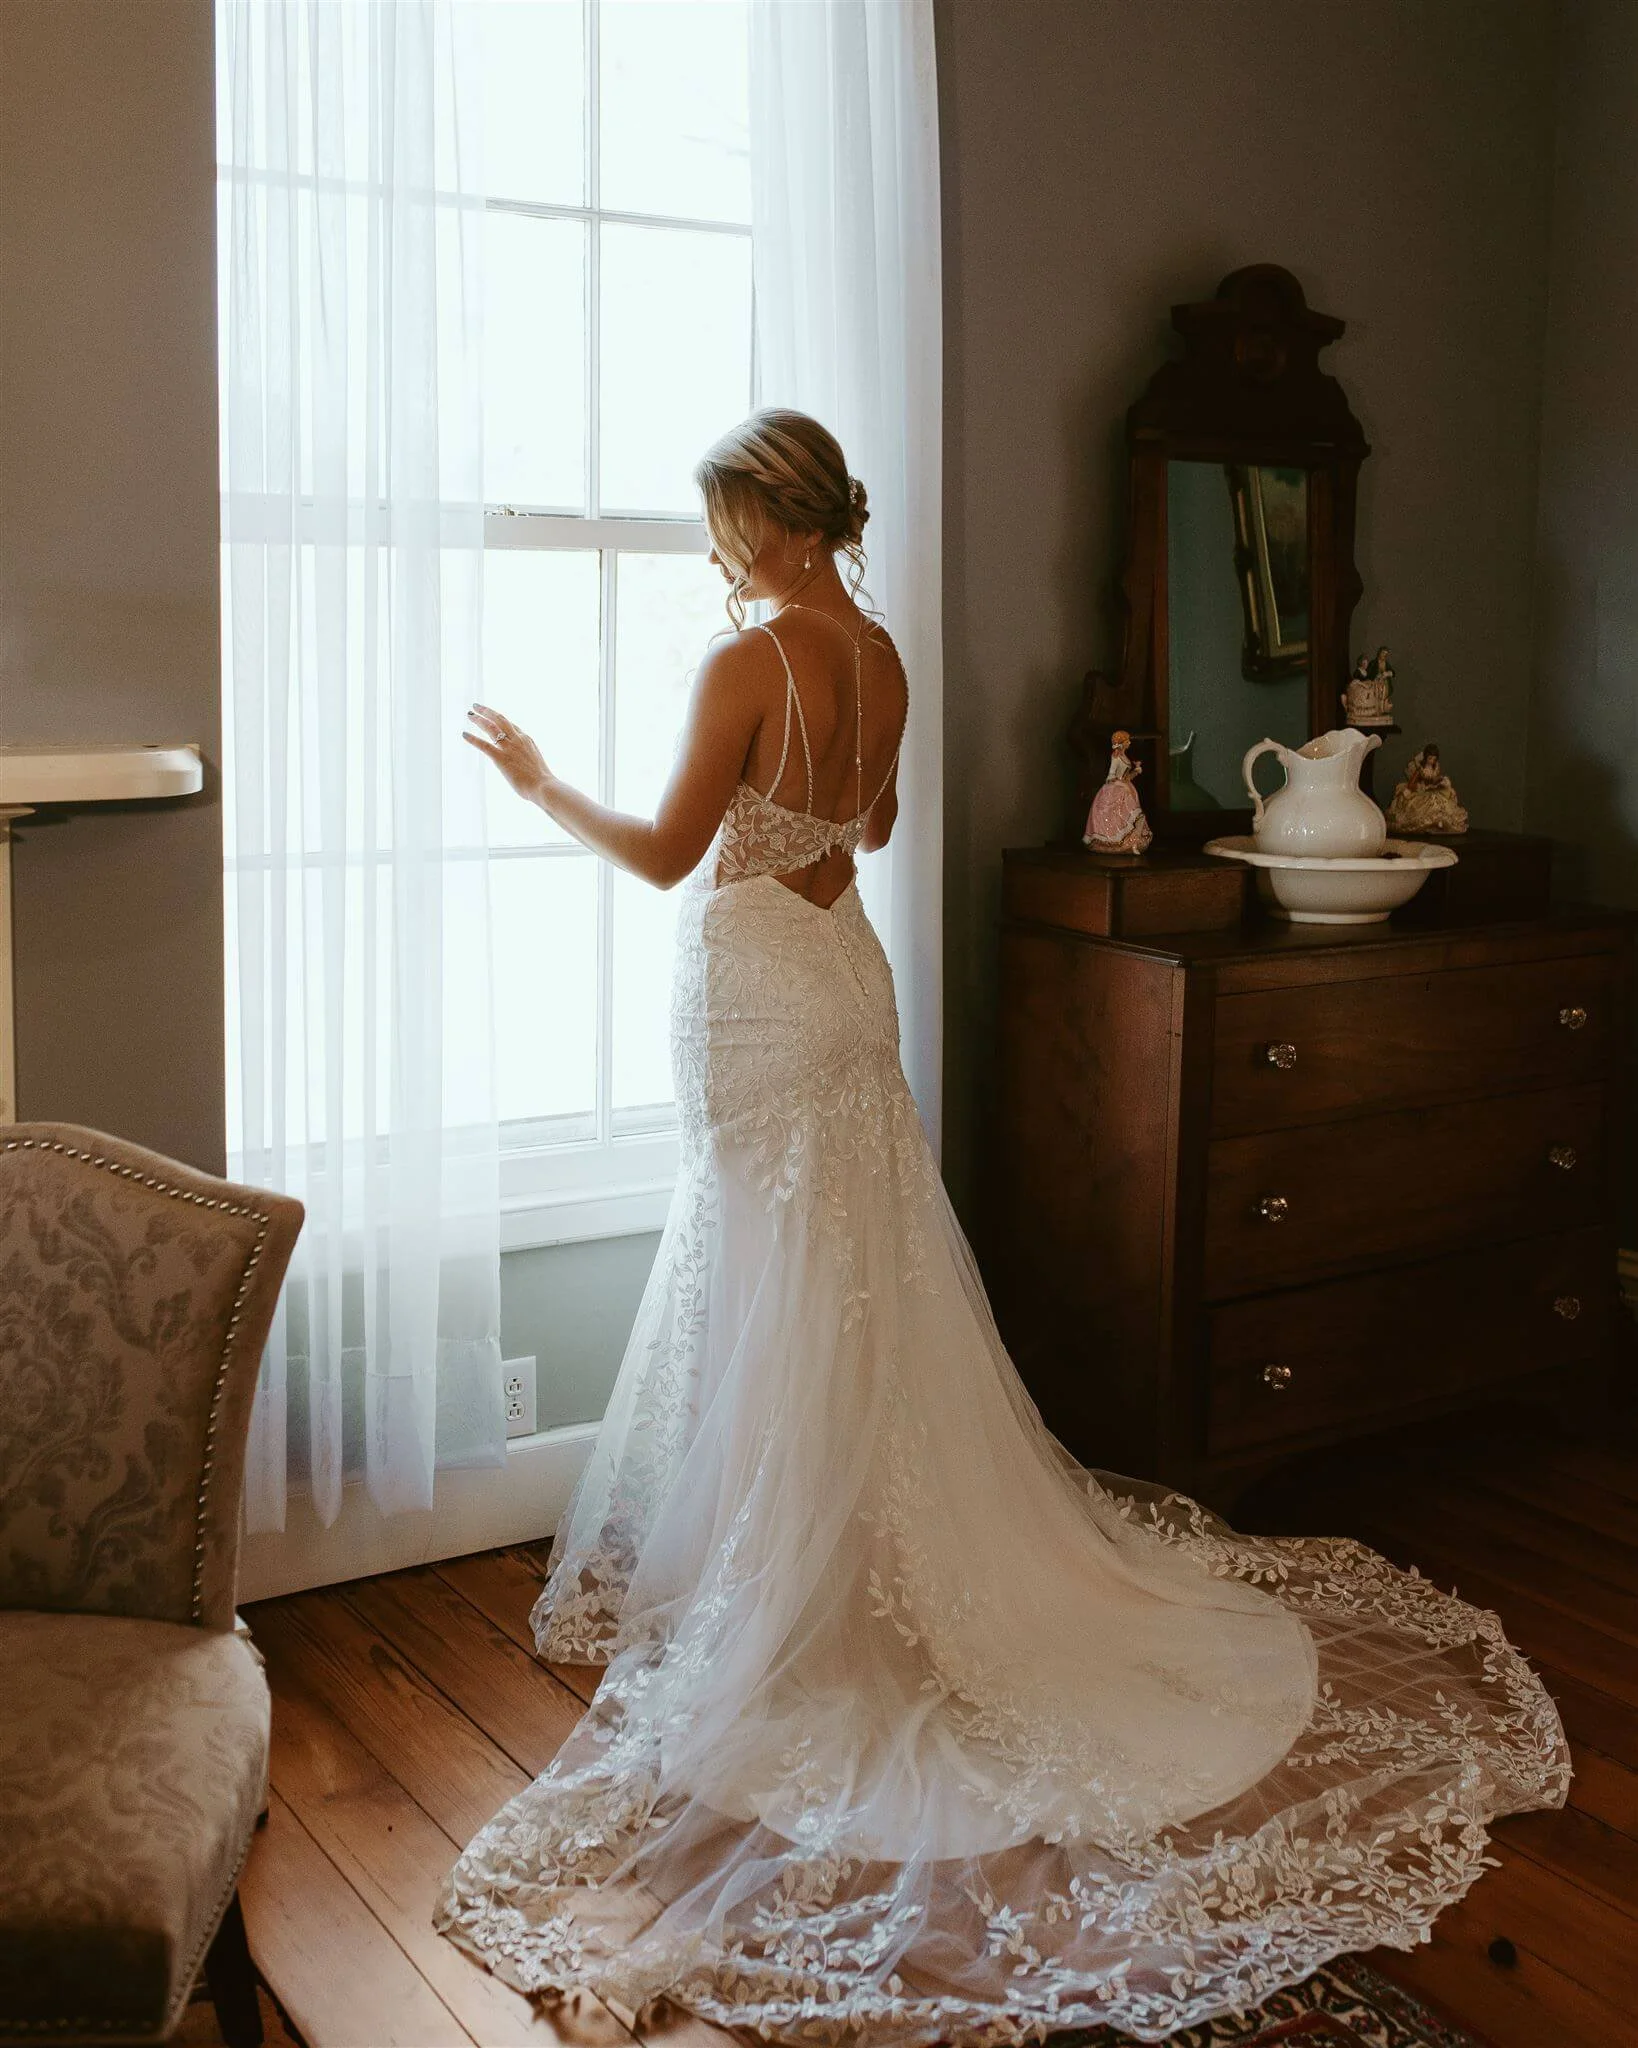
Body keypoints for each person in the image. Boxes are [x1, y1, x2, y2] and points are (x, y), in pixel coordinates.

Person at [440, 408, 1566, 2044]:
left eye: (717, 519)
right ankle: (850, 1553)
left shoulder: (745, 659)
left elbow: (674, 852)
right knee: (855, 1274)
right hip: (844, 977)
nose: (711, 546)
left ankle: (810, 1593)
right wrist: (798, 811)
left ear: (768, 516)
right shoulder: (880, 655)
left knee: (774, 1272)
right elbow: (874, 829)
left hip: (756, 978)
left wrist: (546, 782)